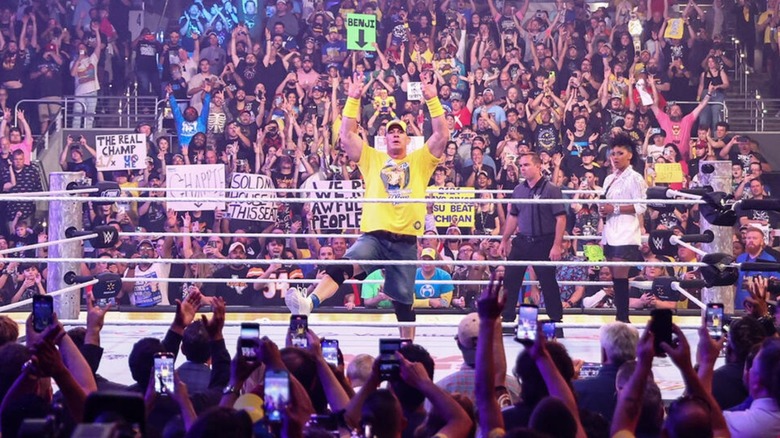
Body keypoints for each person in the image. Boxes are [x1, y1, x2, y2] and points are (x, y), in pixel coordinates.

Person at [285, 72, 448, 339]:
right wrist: (352, 99)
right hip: (374, 237)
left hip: (406, 242)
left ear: (408, 140)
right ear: (384, 140)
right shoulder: (373, 158)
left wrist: (432, 100)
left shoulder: (420, 161)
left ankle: (407, 351)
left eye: (400, 132)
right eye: (390, 132)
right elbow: (346, 136)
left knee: (404, 304)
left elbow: (441, 134)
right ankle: (309, 303)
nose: (395, 135)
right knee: (343, 266)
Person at [499, 152, 566, 327]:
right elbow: (513, 216)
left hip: (544, 241)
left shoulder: (551, 189)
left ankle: (556, 320)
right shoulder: (518, 190)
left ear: (538, 166)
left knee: (547, 280)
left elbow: (561, 218)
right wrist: (504, 240)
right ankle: (507, 318)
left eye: (527, 165)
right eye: (521, 165)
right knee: (510, 278)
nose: (523, 169)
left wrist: (557, 245)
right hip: (522, 240)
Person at [599, 133, 647, 323]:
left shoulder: (635, 178)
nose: (615, 157)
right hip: (610, 232)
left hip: (626, 233)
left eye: (620, 153)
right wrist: (604, 210)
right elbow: (605, 204)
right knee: (615, 279)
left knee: (620, 279)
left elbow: (641, 206)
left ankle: (623, 319)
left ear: (629, 155)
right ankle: (620, 318)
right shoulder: (609, 178)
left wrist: (615, 208)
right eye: (613, 154)